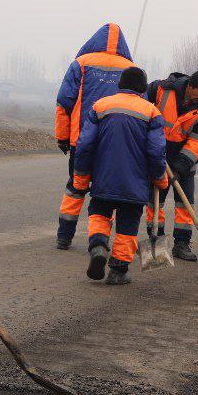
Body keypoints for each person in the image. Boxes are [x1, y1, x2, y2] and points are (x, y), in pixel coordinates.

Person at [70, 66, 167, 285]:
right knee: (128, 225)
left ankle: (98, 247)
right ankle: (118, 271)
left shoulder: (101, 106)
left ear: (120, 85)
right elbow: (156, 151)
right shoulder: (152, 112)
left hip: (104, 178)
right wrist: (159, 176)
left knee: (99, 213)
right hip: (135, 183)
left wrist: (81, 176)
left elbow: (85, 144)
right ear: (143, 88)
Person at [53, 23, 133, 250]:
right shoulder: (130, 67)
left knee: (76, 187)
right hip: (116, 146)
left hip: (81, 141)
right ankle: (100, 240)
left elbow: (64, 103)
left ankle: (64, 236)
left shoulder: (81, 64)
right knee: (107, 192)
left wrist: (62, 136)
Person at [146, 67, 198, 261]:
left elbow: (197, 142)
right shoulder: (161, 89)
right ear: (190, 86)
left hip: (185, 162)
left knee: (185, 205)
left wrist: (179, 167)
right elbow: (140, 103)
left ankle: (182, 244)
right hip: (157, 156)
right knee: (154, 202)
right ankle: (156, 243)